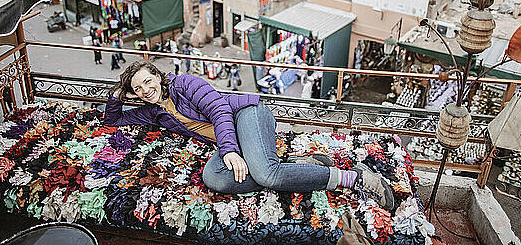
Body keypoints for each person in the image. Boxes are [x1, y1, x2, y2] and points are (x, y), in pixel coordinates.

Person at [102, 61, 394, 209]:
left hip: (245, 115)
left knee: (266, 175)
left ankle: (354, 178)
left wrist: (228, 149)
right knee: (214, 179)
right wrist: (118, 93)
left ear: (159, 77)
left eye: (147, 82)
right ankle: (300, 166)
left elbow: (219, 110)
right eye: (137, 89)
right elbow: (113, 122)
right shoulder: (154, 111)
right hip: (230, 138)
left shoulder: (185, 84)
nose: (145, 91)